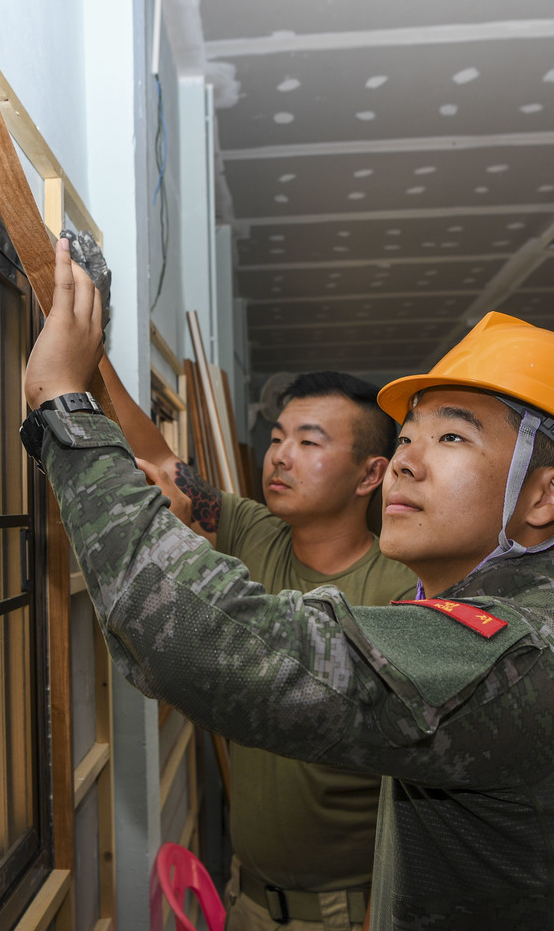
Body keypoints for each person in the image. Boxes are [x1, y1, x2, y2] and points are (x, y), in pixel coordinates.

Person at [22, 239, 554, 929]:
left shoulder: (519, 657)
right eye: (410, 437)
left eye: (451, 438)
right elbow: (167, 476)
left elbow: (205, 642)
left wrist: (64, 406)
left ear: (546, 496)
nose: (409, 462)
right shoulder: (515, 623)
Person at [101, 359, 413, 931]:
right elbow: (166, 466)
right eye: (276, 438)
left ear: (371, 475)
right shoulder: (251, 533)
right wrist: (91, 351)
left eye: (308, 441)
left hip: (351, 914)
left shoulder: (400, 593)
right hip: (246, 899)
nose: (280, 455)